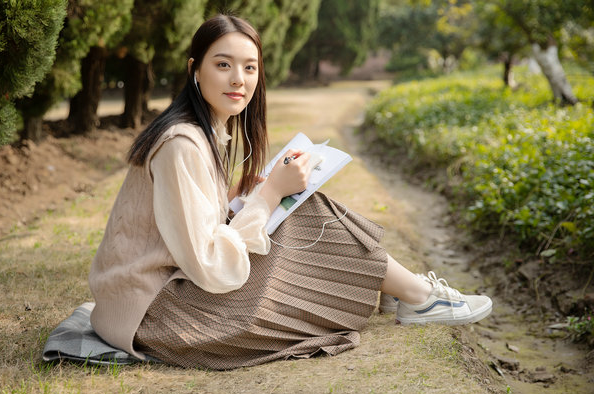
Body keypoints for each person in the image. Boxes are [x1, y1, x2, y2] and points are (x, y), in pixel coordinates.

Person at [88, 14, 492, 370]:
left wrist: (250, 195)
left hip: (155, 300)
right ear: (195, 69)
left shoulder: (204, 131)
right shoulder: (182, 142)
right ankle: (418, 296)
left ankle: (408, 292)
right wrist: (267, 198)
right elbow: (210, 266)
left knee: (291, 201)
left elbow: (189, 223)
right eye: (223, 64)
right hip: (157, 317)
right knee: (302, 209)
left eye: (250, 68)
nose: (238, 80)